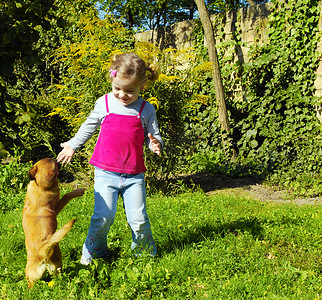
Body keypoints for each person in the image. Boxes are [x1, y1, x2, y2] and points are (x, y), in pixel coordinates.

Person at [57, 53, 163, 265]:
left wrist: (155, 144)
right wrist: (72, 144)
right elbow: (88, 126)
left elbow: (153, 135)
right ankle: (94, 253)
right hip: (105, 172)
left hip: (134, 176)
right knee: (103, 218)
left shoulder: (146, 109)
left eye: (129, 91)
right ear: (112, 80)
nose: (122, 95)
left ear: (142, 86)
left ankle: (143, 255)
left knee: (138, 219)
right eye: (117, 89)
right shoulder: (104, 103)